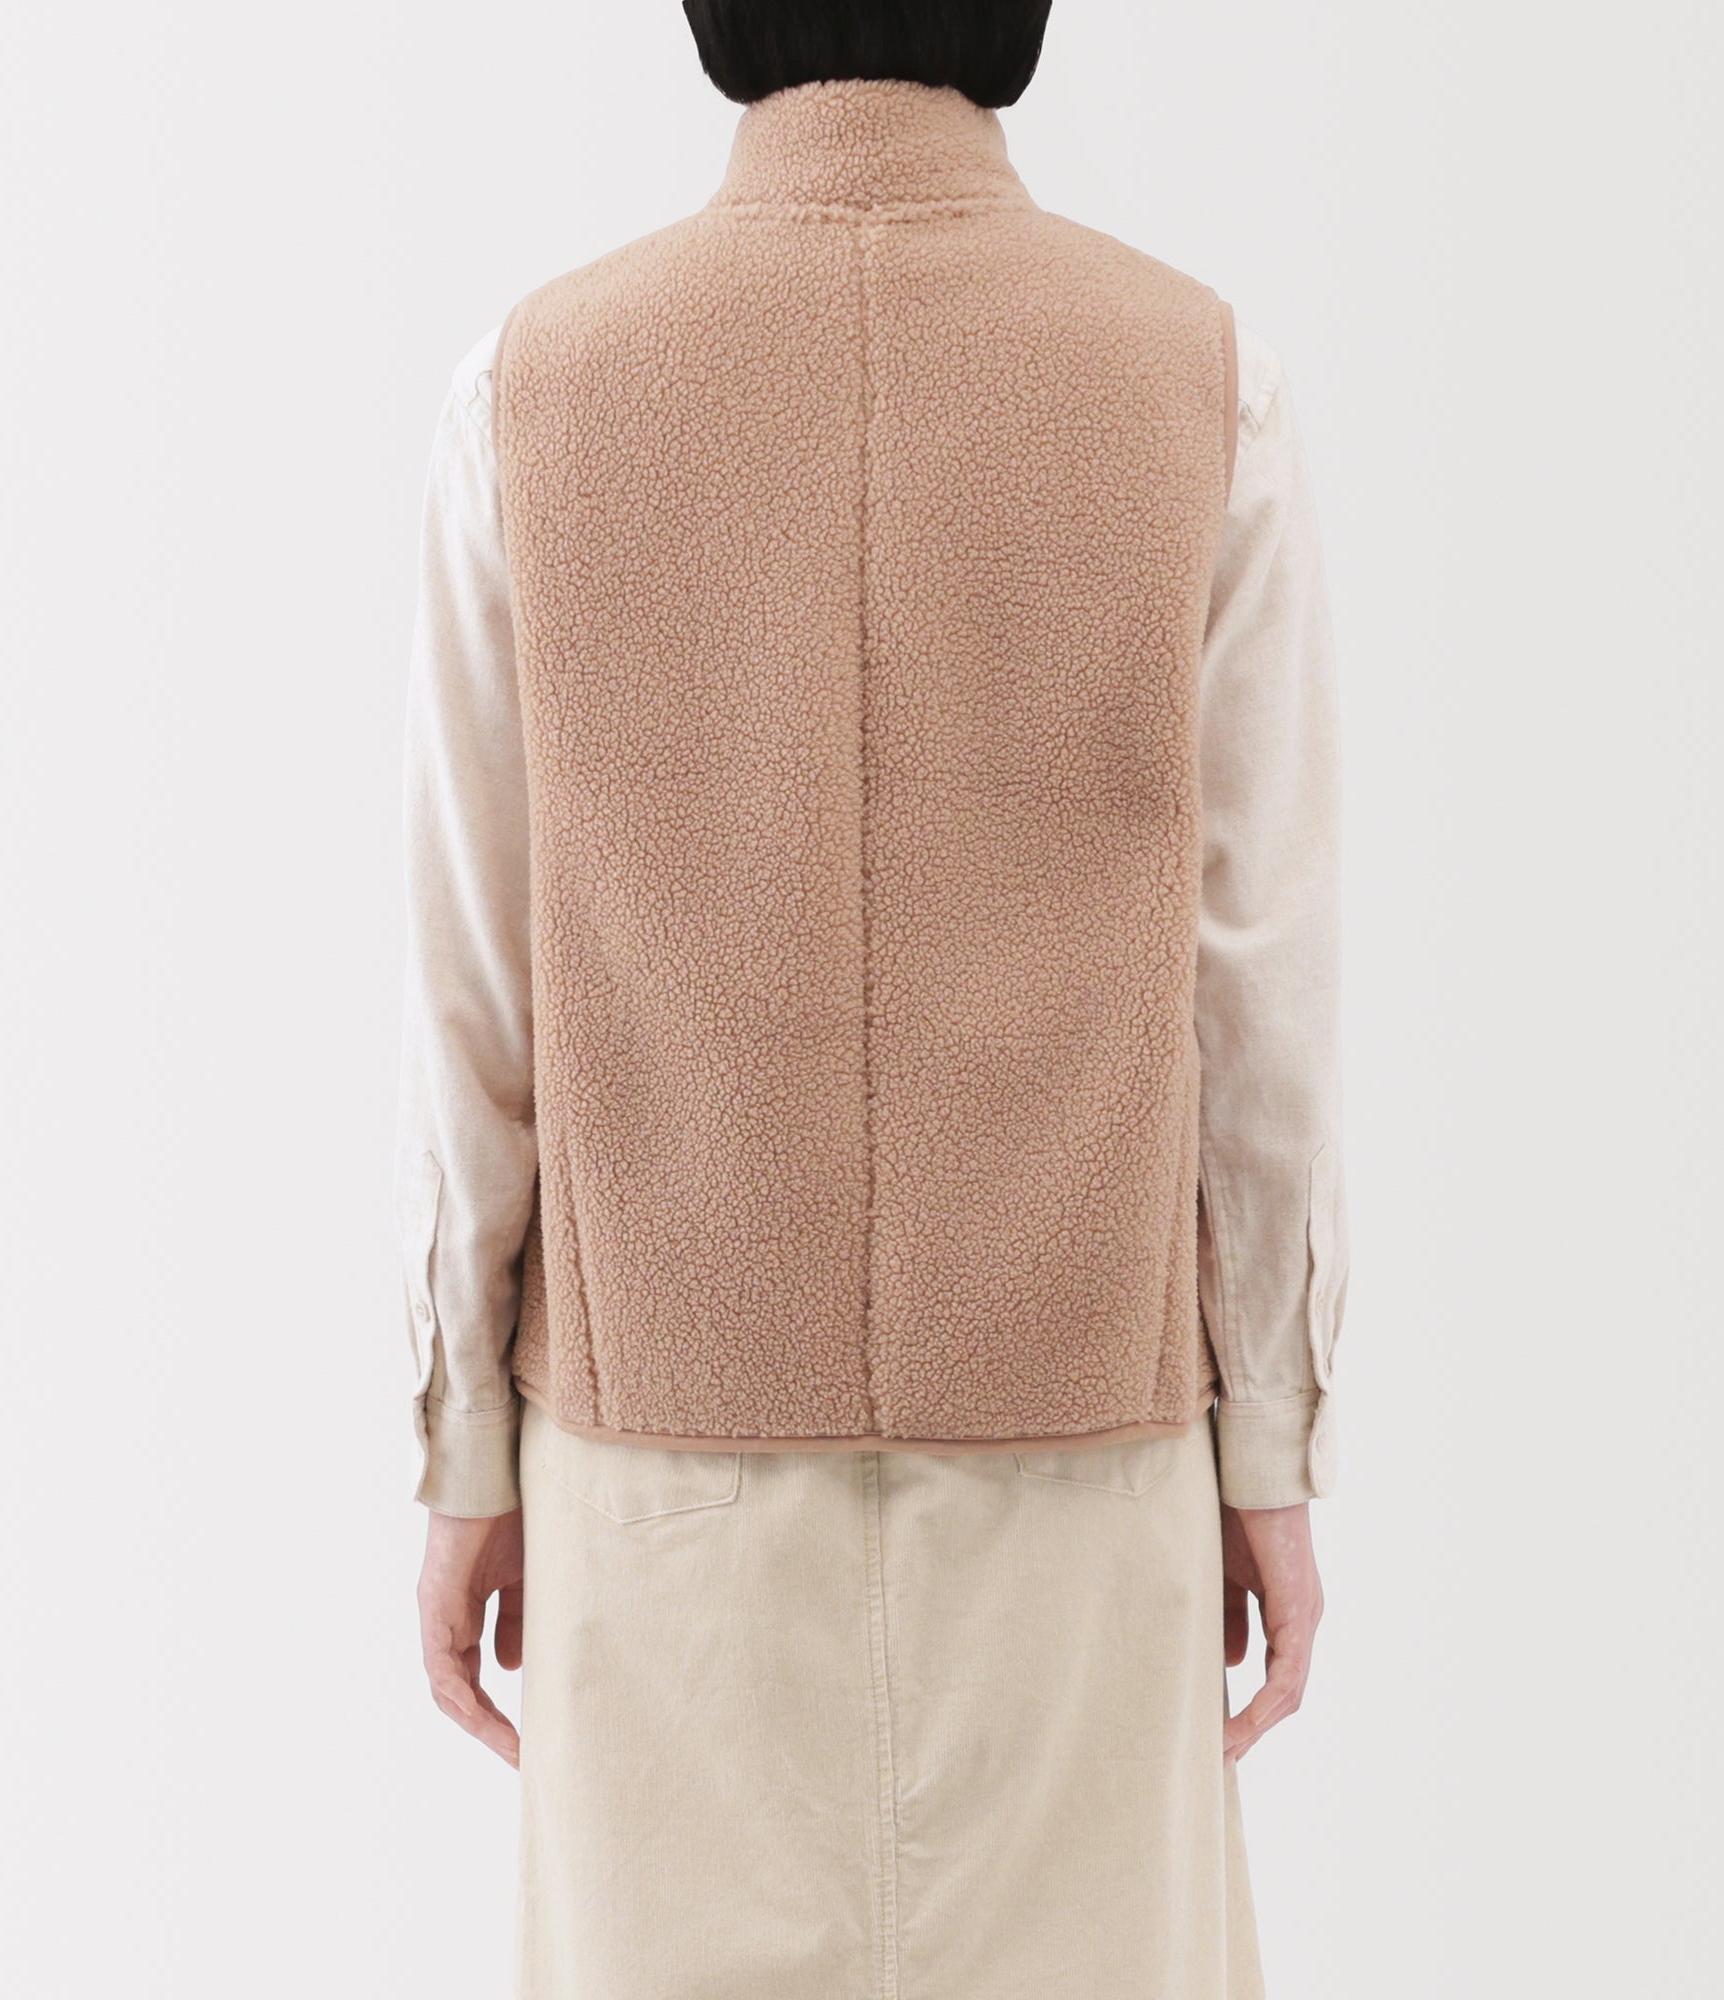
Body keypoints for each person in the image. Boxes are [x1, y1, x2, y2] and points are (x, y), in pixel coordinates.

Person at [395, 4, 1347, 1993]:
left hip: (661, 1475)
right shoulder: (1196, 378)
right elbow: (1254, 983)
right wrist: (1268, 1435)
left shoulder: (536, 389)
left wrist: (465, 1439)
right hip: (1082, 1464)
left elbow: (478, 985)